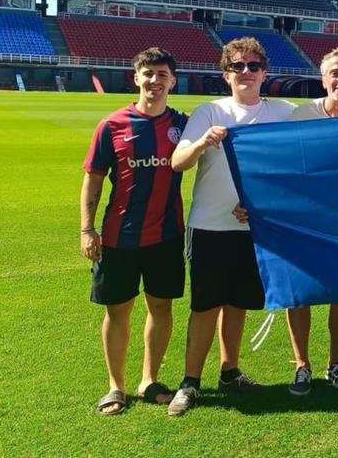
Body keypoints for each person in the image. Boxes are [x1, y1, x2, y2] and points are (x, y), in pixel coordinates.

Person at [165, 37, 295, 416]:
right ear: (226, 74)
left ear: (265, 74)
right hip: (210, 225)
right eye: (238, 66)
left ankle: (230, 370)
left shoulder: (283, 112)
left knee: (239, 302)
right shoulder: (209, 112)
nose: (246, 72)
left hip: (254, 227)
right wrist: (204, 141)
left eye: (253, 66)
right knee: (206, 304)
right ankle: (190, 381)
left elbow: (321, 128)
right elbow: (178, 162)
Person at [80, 47, 188, 416]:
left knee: (161, 306)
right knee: (118, 311)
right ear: (136, 78)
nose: (155, 81)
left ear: (172, 81)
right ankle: (116, 386)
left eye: (162, 75)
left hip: (168, 235)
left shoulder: (184, 124)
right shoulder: (112, 126)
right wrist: (86, 230)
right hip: (118, 237)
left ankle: (149, 379)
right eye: (148, 74)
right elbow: (92, 180)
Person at [278, 48, 338, 395]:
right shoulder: (302, 115)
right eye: (335, 73)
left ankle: (335, 362)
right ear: (323, 78)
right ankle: (301, 364)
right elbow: (282, 165)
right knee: (299, 293)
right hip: (307, 216)